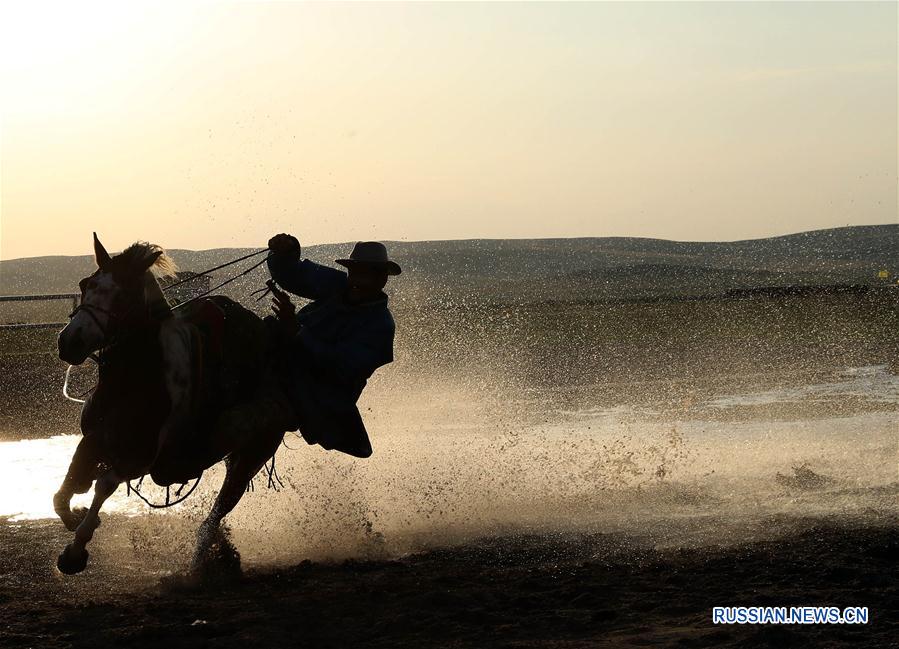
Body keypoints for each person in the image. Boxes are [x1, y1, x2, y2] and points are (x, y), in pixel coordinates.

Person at [257, 234, 401, 458]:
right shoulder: (338, 285)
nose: (358, 278)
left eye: (368, 273)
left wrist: (296, 331)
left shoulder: (381, 325)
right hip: (289, 347)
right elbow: (295, 275)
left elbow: (341, 366)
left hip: (320, 390)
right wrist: (286, 251)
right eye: (355, 271)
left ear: (382, 279)